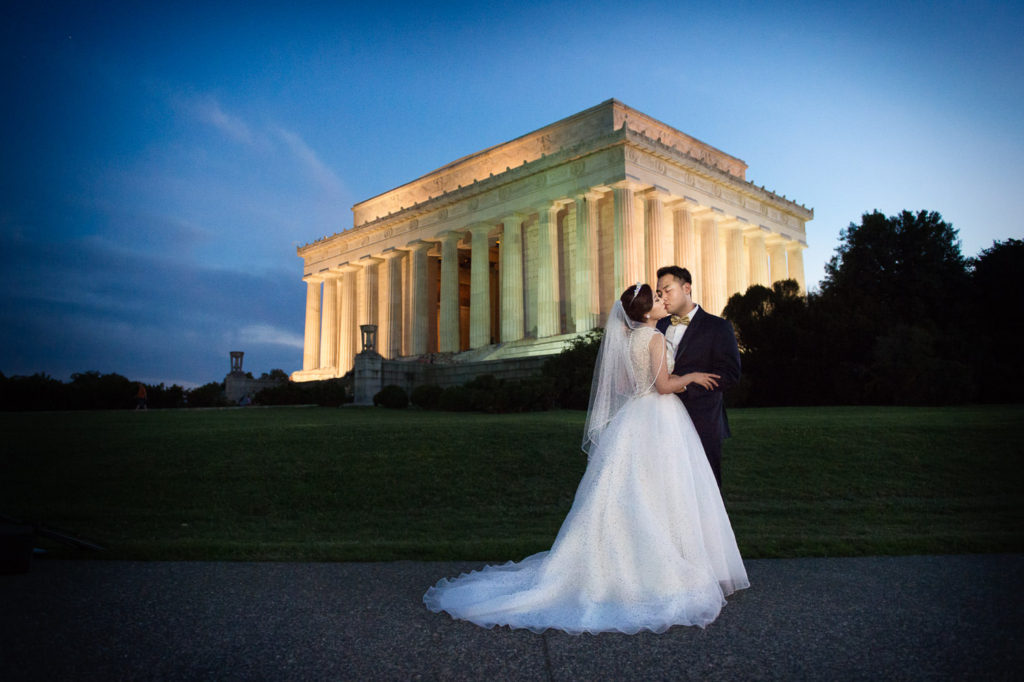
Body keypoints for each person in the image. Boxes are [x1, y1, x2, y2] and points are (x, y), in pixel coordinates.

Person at [423, 284, 749, 635]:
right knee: (664, 489)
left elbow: (627, 385)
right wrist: (692, 377)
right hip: (659, 417)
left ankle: (624, 559)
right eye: (656, 299)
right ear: (644, 313)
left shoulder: (628, 339)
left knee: (630, 491)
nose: (662, 301)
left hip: (633, 418)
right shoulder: (654, 338)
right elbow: (664, 387)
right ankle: (664, 563)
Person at [655, 266, 741, 489]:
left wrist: (684, 386)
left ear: (686, 288)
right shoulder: (658, 325)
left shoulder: (718, 327)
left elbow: (730, 374)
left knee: (706, 488)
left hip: (702, 420)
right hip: (660, 419)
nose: (662, 297)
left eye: (667, 290)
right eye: (659, 293)